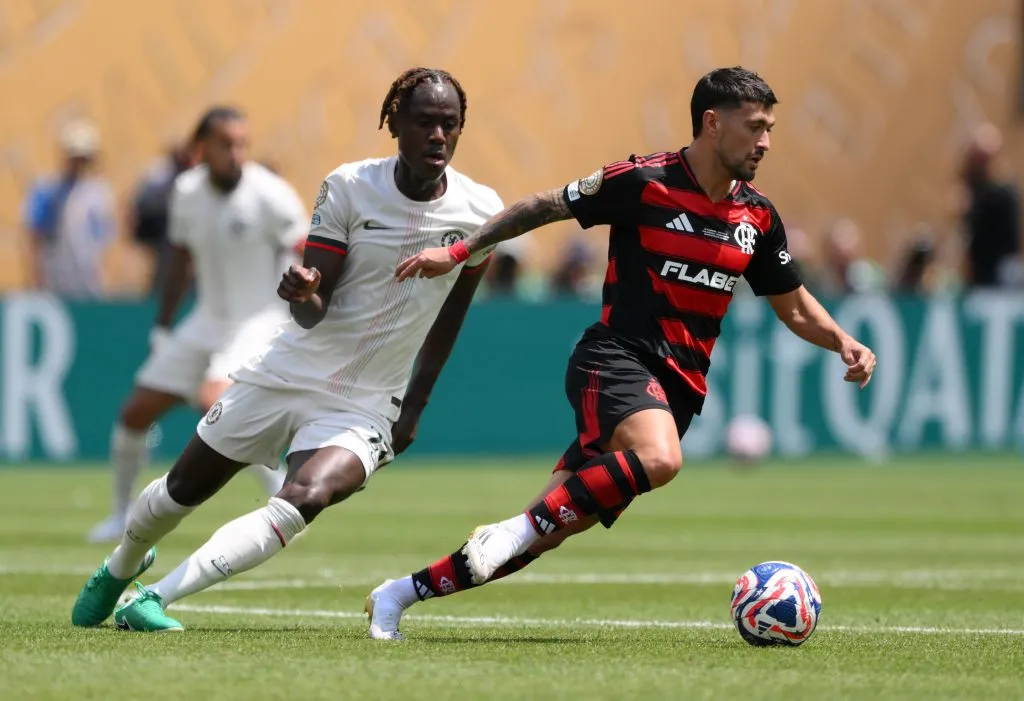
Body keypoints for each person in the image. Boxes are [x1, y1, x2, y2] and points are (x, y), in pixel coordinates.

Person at [366, 66, 877, 640]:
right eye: (755, 127)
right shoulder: (643, 180)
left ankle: (398, 594)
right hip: (612, 361)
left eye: (770, 129)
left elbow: (795, 306)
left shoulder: (757, 217)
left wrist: (842, 340)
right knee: (658, 460)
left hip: (677, 392)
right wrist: (459, 250)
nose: (765, 142)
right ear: (712, 123)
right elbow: (542, 206)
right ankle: (509, 530)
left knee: (547, 530)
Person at [70, 67, 503, 631]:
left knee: (307, 496)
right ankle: (121, 564)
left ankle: (155, 597)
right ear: (394, 123)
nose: (438, 136)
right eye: (425, 122)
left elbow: (452, 312)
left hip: (367, 401)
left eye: (450, 124)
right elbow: (311, 306)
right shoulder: (349, 186)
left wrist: (415, 404)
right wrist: (301, 291)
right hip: (288, 370)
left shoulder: (479, 209)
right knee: (178, 493)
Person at [86, 106, 306, 543]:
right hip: (206, 320)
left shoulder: (271, 194)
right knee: (135, 413)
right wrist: (163, 327)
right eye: (226, 144)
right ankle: (120, 515)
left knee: (214, 401)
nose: (236, 153)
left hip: (258, 319)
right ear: (201, 147)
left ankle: (282, 496)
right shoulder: (186, 191)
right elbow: (180, 260)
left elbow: (308, 251)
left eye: (242, 144)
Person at [23, 119, 116, 297]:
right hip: (55, 279)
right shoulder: (48, 191)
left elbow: (106, 241)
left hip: (90, 283)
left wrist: (106, 280)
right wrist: (35, 280)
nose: (78, 164)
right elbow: (34, 237)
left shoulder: (99, 194)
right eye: (75, 157)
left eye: (83, 158)